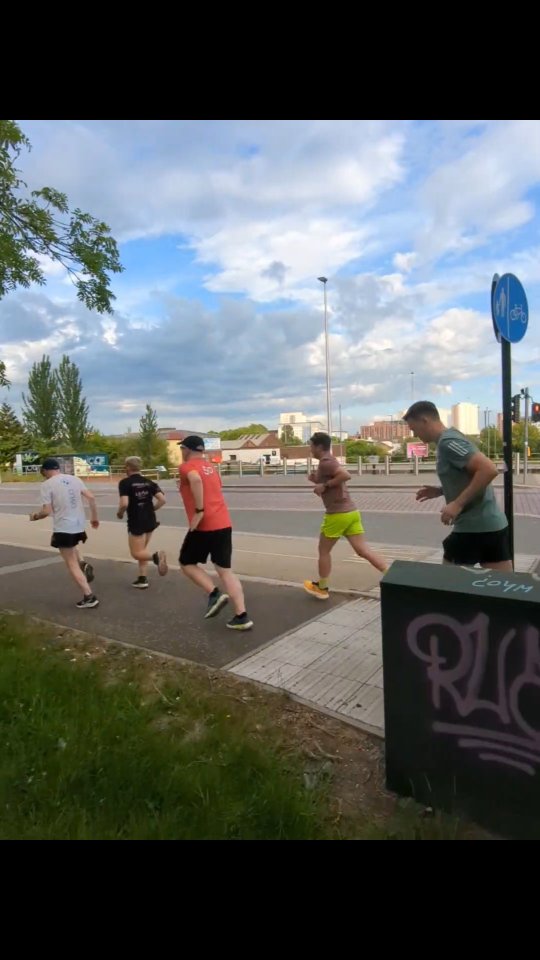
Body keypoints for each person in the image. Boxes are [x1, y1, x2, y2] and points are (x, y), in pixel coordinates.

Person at [403, 400, 511, 570]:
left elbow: (488, 470)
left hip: (473, 528)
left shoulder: (448, 442)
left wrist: (456, 504)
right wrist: (440, 491)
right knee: (502, 589)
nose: (415, 434)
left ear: (425, 420)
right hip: (493, 526)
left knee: (448, 588)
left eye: (414, 428)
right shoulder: (451, 438)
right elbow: (469, 475)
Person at [177, 436, 253, 630]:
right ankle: (241, 616)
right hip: (223, 523)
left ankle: (214, 593)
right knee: (225, 571)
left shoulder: (187, 467)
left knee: (186, 562)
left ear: (187, 449)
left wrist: (200, 509)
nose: (181, 453)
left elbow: (195, 479)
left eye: (182, 449)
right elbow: (215, 487)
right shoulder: (212, 468)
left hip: (204, 524)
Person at [304, 432, 387, 599]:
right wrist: (317, 481)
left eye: (311, 445)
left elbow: (345, 475)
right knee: (363, 550)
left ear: (319, 447)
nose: (310, 449)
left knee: (324, 551)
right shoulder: (326, 462)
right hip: (351, 512)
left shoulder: (326, 462)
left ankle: (322, 588)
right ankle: (391, 574)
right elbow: (335, 480)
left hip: (337, 514)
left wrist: (324, 485)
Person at [29, 457, 100, 608]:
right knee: (72, 546)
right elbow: (91, 497)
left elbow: (46, 511)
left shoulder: (47, 485)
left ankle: (89, 596)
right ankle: (82, 562)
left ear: (46, 470)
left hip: (63, 527)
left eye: (44, 472)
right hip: (79, 525)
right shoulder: (74, 479)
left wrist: (35, 516)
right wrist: (94, 517)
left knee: (70, 563)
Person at [117, 457, 168, 587]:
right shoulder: (149, 482)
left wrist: (120, 513)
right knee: (143, 550)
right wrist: (152, 509)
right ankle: (142, 579)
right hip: (150, 519)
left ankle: (157, 556)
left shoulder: (125, 483)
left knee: (136, 553)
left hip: (136, 520)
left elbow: (124, 503)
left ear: (128, 467)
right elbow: (162, 499)